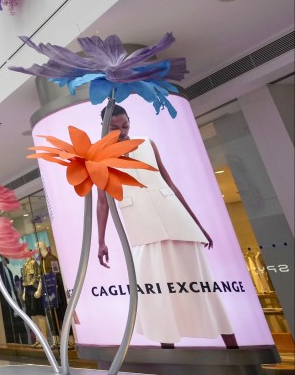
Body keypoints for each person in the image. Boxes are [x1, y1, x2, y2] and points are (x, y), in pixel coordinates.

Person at [96, 104, 237, 348]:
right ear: (104, 127)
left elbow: (170, 184)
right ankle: (168, 351)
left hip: (174, 217)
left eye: (125, 125)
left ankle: (232, 345)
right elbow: (102, 202)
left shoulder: (147, 144)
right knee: (154, 289)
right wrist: (101, 241)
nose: (121, 131)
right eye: (114, 128)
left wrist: (197, 223)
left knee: (200, 281)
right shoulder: (99, 158)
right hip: (140, 224)